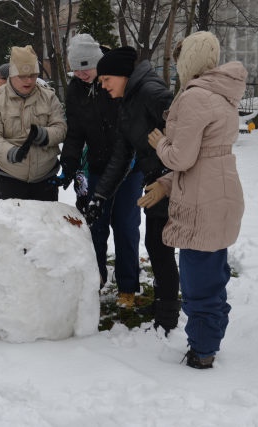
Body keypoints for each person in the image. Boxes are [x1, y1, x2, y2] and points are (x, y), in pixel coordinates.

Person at [140, 31, 247, 368]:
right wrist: (165, 184)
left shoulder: (195, 96)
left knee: (198, 283)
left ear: (189, 60)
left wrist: (159, 143)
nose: (177, 68)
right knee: (213, 279)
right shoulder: (222, 93)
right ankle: (209, 341)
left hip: (202, 205)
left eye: (179, 61)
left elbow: (182, 158)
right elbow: (204, 159)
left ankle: (202, 352)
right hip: (221, 195)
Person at [84, 46, 180, 334]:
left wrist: (167, 162)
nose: (103, 85)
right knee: (156, 244)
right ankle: (163, 305)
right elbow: (121, 156)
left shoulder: (151, 92)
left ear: (123, 75)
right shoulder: (128, 101)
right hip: (154, 179)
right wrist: (100, 197)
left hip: (172, 180)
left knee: (160, 246)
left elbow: (186, 130)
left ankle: (167, 316)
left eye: (106, 79)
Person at [59, 34, 141, 298]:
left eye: (86, 68)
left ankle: (128, 286)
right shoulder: (75, 89)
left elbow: (129, 129)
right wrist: (69, 163)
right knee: (95, 225)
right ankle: (96, 280)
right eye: (75, 70)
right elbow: (74, 133)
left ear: (97, 61)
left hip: (128, 168)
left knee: (125, 227)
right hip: (96, 166)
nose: (81, 74)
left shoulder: (116, 79)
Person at [0, 45, 67, 201]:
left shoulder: (49, 97)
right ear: (11, 75)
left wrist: (45, 135)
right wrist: (10, 152)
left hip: (45, 179)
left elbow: (61, 128)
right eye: (22, 76)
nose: (29, 81)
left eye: (33, 75)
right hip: (9, 178)